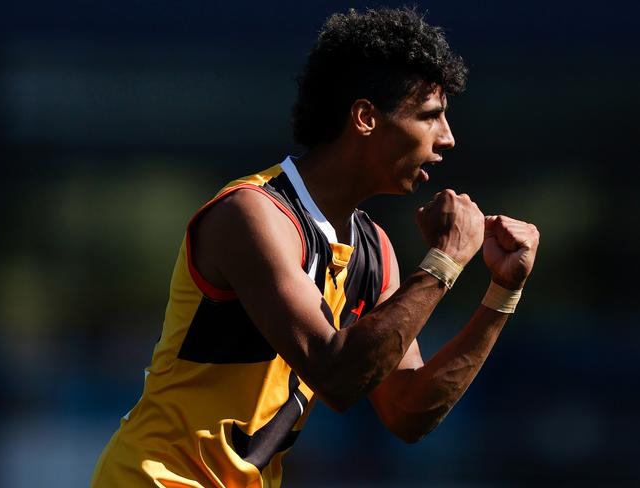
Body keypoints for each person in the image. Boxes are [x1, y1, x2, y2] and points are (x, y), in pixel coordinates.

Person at [91, 7, 540, 488]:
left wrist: (502, 293)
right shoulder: (254, 214)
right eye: (430, 116)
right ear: (366, 118)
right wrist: (444, 262)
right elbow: (336, 375)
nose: (447, 138)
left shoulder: (373, 249)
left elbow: (408, 411)